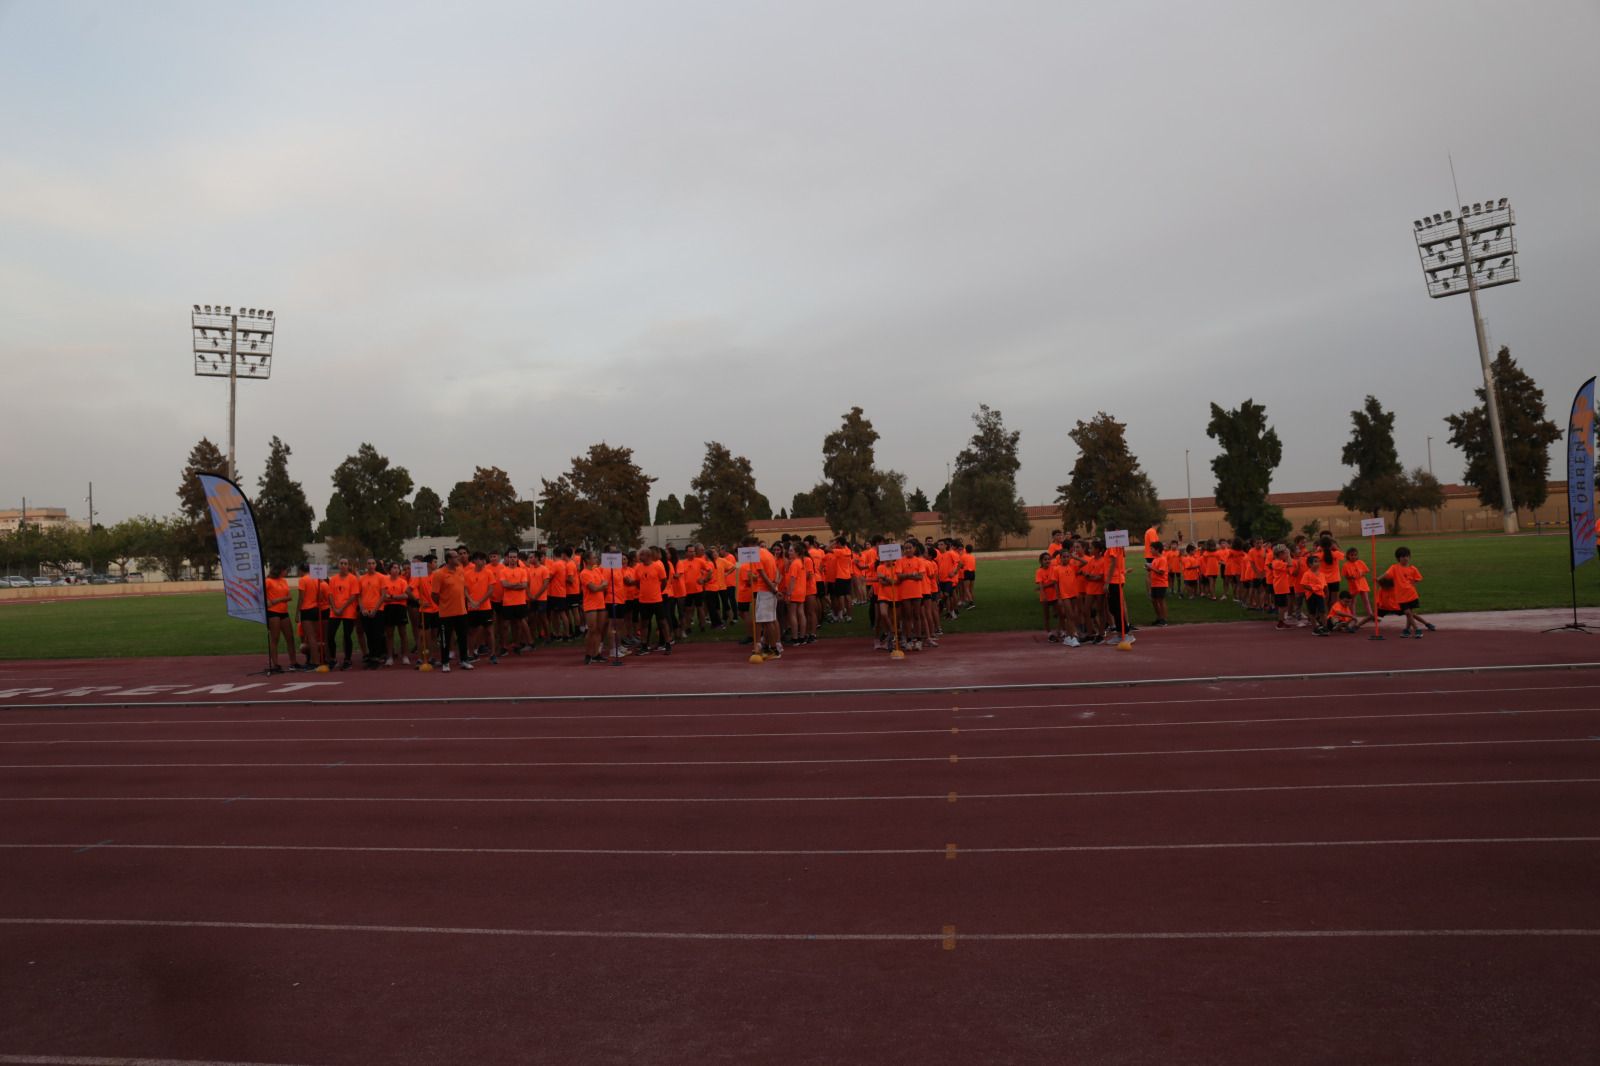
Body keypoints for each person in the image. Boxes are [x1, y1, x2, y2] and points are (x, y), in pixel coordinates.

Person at [432, 549, 472, 671]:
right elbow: (434, 594)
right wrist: (443, 604)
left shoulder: (460, 570)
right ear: (449, 559)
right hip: (446, 613)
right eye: (455, 557)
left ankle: (464, 660)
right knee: (446, 639)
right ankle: (445, 662)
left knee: (463, 637)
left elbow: (463, 588)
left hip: (461, 611)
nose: (459, 558)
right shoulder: (439, 574)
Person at [1383, 546, 1434, 637]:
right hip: (1401, 596)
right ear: (1398, 558)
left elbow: (1418, 578)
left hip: (1411, 594)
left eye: (1407, 556)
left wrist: (1412, 582)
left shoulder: (1412, 568)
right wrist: (1378, 579)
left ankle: (1411, 629)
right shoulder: (1395, 568)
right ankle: (1420, 627)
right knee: (1409, 613)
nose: (1406, 558)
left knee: (1409, 614)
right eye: (1403, 556)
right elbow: (1386, 575)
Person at [325, 558, 362, 670]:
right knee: (330, 635)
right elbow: (330, 594)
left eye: (345, 563)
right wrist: (335, 608)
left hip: (348, 611)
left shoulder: (353, 579)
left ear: (348, 565)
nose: (343, 565)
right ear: (338, 565)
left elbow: (353, 596)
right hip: (335, 611)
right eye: (341, 563)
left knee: (347, 635)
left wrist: (342, 608)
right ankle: (333, 658)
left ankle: (347, 659)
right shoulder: (333, 579)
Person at [296, 565, 325, 670]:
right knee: (316, 637)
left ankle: (315, 662)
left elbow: (301, 598)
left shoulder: (303, 580)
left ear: (300, 570)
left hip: (306, 610)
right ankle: (316, 659)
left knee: (310, 637)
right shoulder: (315, 579)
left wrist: (297, 613)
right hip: (315, 609)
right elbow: (319, 596)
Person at [265, 564, 292, 673]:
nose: (287, 572)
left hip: (284, 612)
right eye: (286, 570)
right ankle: (275, 664)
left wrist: (277, 600)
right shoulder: (268, 581)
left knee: (290, 638)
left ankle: (293, 662)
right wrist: (267, 601)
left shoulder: (284, 581)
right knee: (275, 638)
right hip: (273, 613)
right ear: (280, 570)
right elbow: (259, 593)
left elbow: (290, 597)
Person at [1342, 546, 1373, 621]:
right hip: (1353, 585)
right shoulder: (1346, 565)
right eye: (1351, 555)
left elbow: (1365, 571)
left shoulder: (1360, 562)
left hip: (1362, 583)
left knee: (1366, 600)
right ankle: (1353, 616)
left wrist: (1360, 574)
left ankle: (1370, 615)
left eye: (1355, 555)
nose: (1353, 556)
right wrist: (1351, 577)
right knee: (1352, 601)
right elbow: (1346, 576)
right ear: (1348, 556)